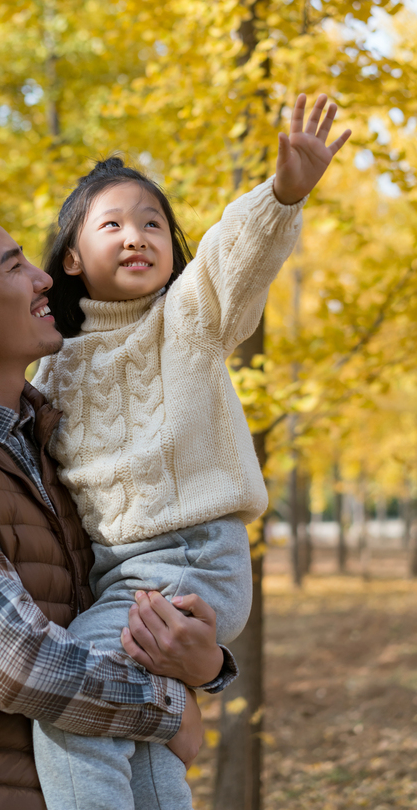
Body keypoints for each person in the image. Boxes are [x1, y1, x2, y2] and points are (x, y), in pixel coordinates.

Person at [0, 186, 238, 810]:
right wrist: (169, 711)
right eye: (13, 267)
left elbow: (130, 605)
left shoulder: (57, 448)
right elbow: (16, 662)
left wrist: (205, 666)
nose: (42, 279)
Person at [31, 94, 352, 810]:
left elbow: (230, 263)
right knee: (142, 748)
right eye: (111, 223)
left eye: (152, 224)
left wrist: (281, 195)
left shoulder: (187, 323)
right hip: (121, 579)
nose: (137, 235)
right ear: (73, 258)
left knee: (72, 703)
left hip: (190, 560)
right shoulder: (48, 368)